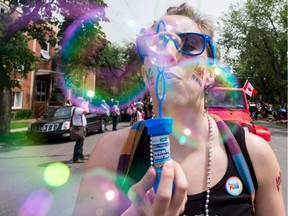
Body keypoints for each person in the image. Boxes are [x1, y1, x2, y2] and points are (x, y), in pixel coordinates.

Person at [74, 3, 285, 215]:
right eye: (156, 44)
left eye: (190, 43)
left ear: (210, 72)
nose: (169, 55)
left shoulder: (256, 156)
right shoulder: (111, 153)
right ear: (146, 74)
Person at [71, 97, 90, 163]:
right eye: (81, 101)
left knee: (80, 143)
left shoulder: (74, 108)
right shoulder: (77, 109)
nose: (82, 103)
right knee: (79, 143)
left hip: (80, 127)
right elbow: (87, 111)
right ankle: (76, 158)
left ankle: (81, 155)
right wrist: (86, 104)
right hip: (79, 127)